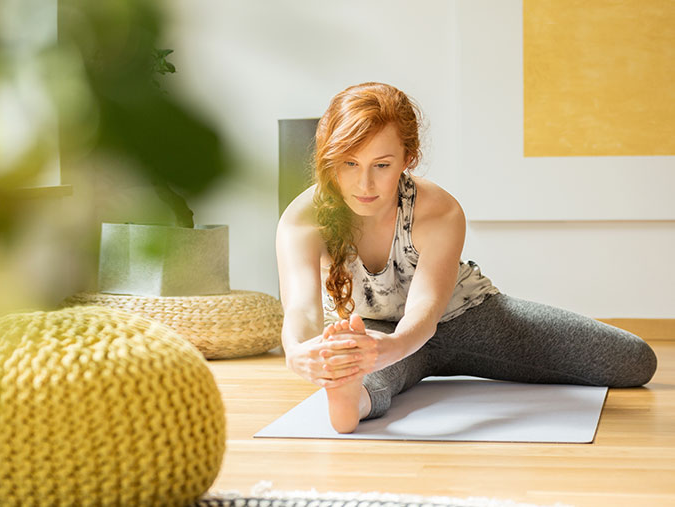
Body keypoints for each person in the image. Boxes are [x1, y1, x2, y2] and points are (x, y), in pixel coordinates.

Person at [275, 82, 658, 434]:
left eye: (382, 165)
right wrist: (298, 353)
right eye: (350, 163)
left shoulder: (438, 210)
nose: (365, 184)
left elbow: (424, 313)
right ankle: (348, 399)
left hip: (466, 318)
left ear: (408, 158)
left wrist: (391, 348)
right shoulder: (303, 217)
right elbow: (302, 310)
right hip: (374, 331)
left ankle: (369, 368)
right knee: (359, 377)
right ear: (330, 158)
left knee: (634, 361)